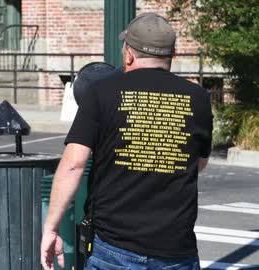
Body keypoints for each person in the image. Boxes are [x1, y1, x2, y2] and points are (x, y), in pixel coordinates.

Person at [41, 13, 212, 270]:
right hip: (176, 250)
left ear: (129, 54)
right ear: (171, 56)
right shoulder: (198, 98)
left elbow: (74, 165)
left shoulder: (102, 92)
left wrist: (51, 227)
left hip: (114, 248)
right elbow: (197, 163)